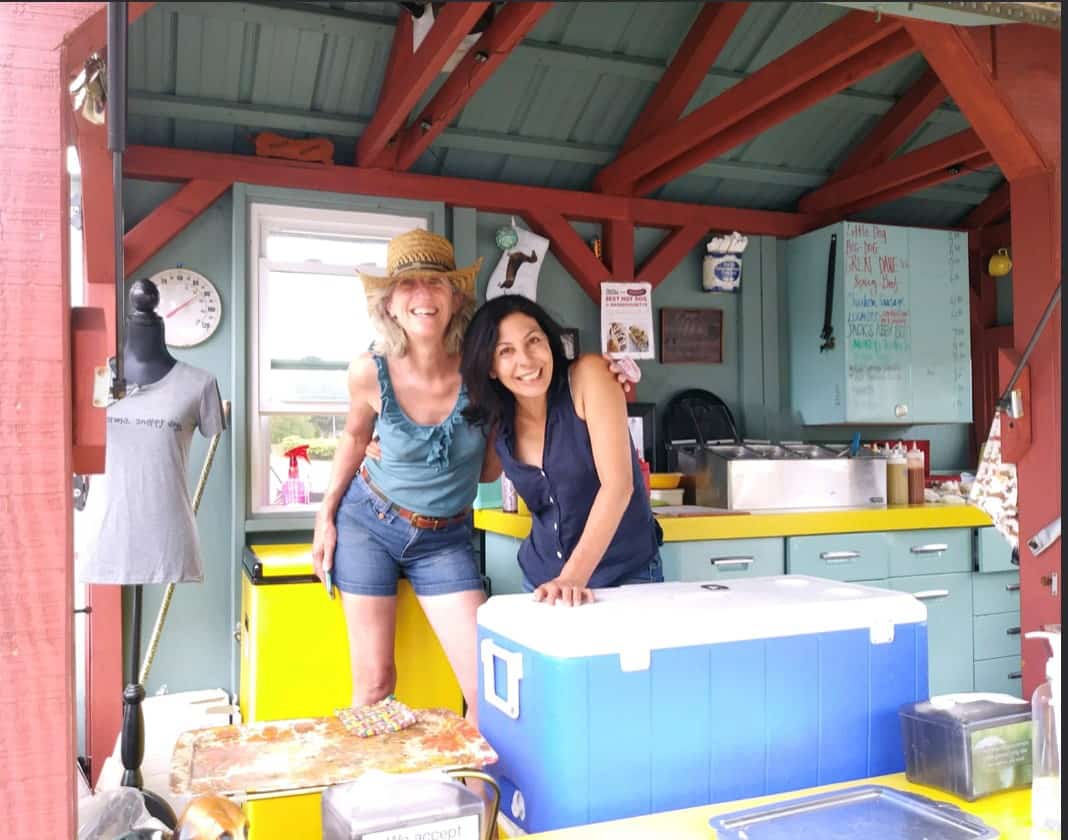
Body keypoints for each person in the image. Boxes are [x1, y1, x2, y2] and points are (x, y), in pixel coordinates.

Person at [460, 294, 663, 608]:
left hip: (623, 577)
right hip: (542, 581)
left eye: (533, 341)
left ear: (550, 341)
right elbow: (484, 474)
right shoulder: (499, 416)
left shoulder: (589, 376)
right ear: (490, 367)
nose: (526, 360)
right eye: (505, 351)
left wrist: (572, 577)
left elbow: (619, 486)